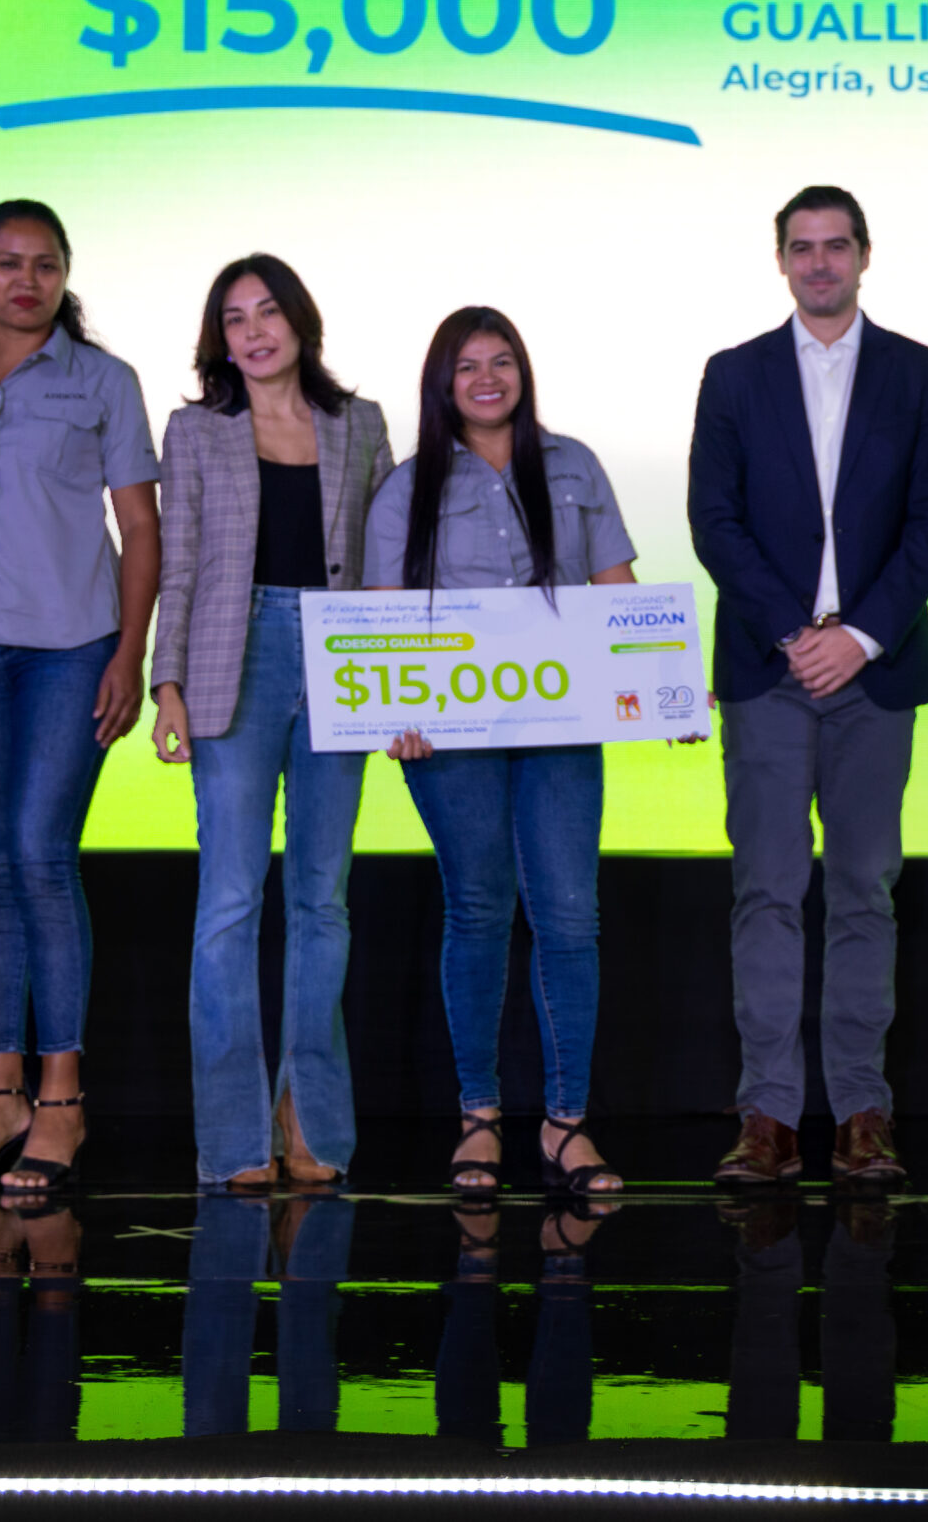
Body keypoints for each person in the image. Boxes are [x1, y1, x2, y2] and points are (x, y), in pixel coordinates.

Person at [686, 185, 928, 1187]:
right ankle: (766, 1114)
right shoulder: (734, 374)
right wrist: (798, 633)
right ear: (780, 261)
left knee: (863, 891)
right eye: (800, 247)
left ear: (864, 255)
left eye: (835, 245)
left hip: (874, 673)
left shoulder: (920, 374)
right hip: (770, 667)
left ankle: (860, 1111)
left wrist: (863, 635)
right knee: (764, 891)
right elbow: (713, 519)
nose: (818, 263)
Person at [0, 199, 161, 1196]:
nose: (28, 280)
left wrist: (131, 655)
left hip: (72, 649)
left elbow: (140, 529)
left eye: (46, 264)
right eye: (9, 263)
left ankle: (60, 1097)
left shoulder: (104, 381)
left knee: (38, 856)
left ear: (66, 275)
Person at [365, 306, 636, 1197]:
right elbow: (382, 620)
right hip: (450, 741)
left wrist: (661, 680)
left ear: (523, 371)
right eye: (468, 366)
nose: (487, 379)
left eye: (502, 361)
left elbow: (617, 593)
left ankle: (566, 1124)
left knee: (570, 917)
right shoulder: (406, 489)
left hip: (561, 733)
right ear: (442, 384)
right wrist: (395, 716)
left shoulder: (574, 465)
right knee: (478, 908)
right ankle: (478, 1115)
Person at [151, 254, 392, 1192]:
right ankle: (234, 1139)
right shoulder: (195, 430)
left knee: (323, 900)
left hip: (342, 659)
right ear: (220, 339)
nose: (253, 332)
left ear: (300, 320)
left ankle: (308, 1116)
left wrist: (401, 686)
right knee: (230, 902)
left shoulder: (360, 424)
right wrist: (167, 683)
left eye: (267, 312)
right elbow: (178, 564)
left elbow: (386, 566)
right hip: (234, 659)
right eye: (234, 318)